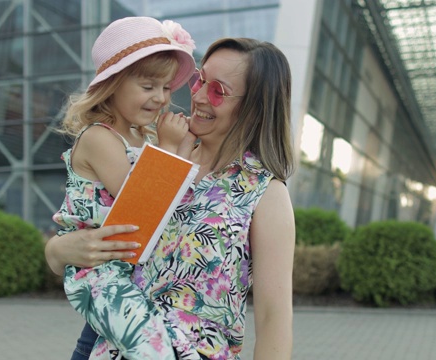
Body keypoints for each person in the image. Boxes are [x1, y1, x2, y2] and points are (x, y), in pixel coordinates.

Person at [46, 37, 296, 360]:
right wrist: (57, 250)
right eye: (199, 80)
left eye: (218, 90)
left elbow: (273, 318)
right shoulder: (156, 152)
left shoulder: (265, 193)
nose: (199, 96)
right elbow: (95, 223)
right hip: (102, 346)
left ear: (255, 105)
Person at [51, 16, 197, 360]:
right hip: (98, 273)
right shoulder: (101, 137)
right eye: (148, 87)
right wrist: (169, 147)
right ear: (113, 84)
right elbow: (141, 203)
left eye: (166, 88)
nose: (161, 98)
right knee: (153, 349)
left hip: (130, 272)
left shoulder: (140, 136)